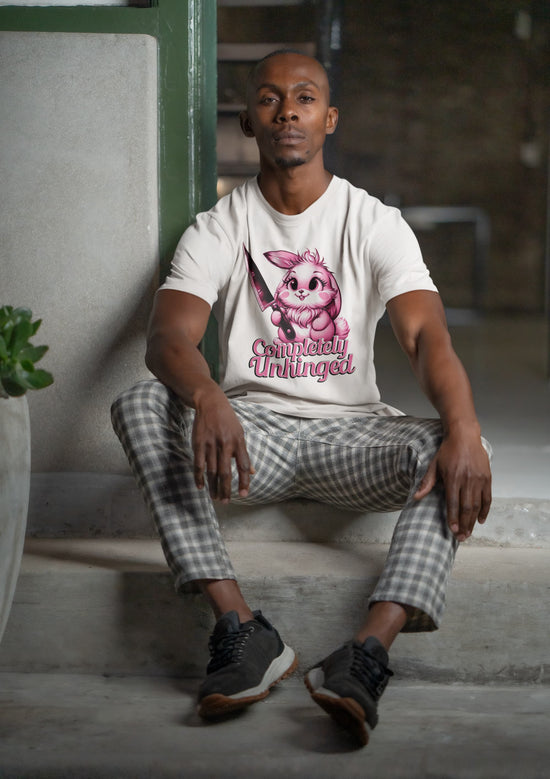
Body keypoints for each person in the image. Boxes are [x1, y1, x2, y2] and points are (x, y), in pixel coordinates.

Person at [111, 49, 492, 747]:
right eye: (269, 98)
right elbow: (167, 339)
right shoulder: (219, 227)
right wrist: (209, 397)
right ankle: (241, 629)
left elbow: (426, 337)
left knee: (464, 443)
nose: (287, 109)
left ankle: (367, 651)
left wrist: (463, 424)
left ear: (329, 119)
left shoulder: (374, 222)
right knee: (139, 403)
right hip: (255, 444)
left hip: (352, 438)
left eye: (306, 97)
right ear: (249, 123)